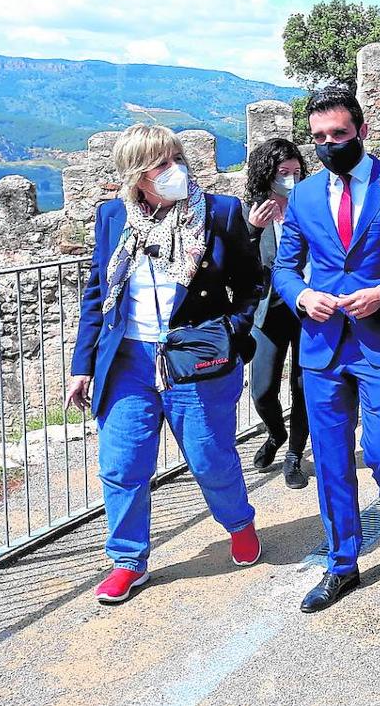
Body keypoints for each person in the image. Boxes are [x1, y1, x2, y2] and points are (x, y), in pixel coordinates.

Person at [67, 124, 264, 604]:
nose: (175, 168)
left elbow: (251, 283)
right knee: (121, 464)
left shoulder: (219, 212)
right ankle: (128, 561)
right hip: (128, 360)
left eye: (177, 157)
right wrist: (83, 363)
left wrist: (232, 336)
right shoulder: (113, 216)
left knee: (208, 457)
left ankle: (238, 522)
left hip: (194, 358)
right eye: (161, 163)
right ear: (136, 176)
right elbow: (98, 294)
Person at [272, 87, 380, 613]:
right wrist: (304, 295)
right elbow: (285, 268)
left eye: (338, 134)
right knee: (332, 461)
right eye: (318, 138)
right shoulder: (305, 197)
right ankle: (342, 563)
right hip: (322, 347)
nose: (329, 144)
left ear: (361, 131)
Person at [243, 138, 310, 489]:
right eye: (283, 173)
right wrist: (252, 233)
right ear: (266, 174)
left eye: (296, 172)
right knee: (263, 389)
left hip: (307, 307)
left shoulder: (310, 204)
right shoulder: (250, 212)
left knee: (302, 386)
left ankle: (294, 456)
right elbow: (239, 268)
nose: (291, 179)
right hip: (269, 311)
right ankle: (275, 433)